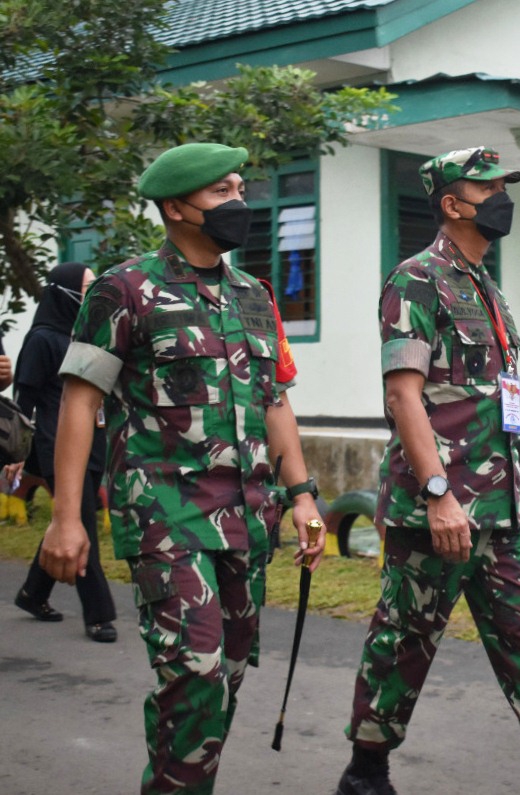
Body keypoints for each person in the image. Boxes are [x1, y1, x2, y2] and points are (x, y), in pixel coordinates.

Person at [39, 142, 326, 794]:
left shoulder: (253, 294)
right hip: (166, 516)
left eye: (238, 187)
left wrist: (304, 494)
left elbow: (275, 398)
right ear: (176, 206)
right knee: (193, 673)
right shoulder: (125, 289)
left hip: (249, 518)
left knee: (223, 677)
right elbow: (80, 400)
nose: (239, 202)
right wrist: (66, 516)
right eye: (222, 191)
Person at [336, 146, 520, 795]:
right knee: (404, 641)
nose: (498, 197)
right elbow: (403, 395)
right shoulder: (417, 279)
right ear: (451, 204)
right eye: (484, 188)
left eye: (502, 185)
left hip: (500, 507)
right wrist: (437, 492)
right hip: (438, 508)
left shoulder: (487, 286)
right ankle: (365, 771)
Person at [11, 262, 117, 643]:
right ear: (64, 292)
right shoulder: (43, 339)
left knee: (67, 518)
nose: (92, 294)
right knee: (83, 526)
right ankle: (99, 615)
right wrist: (17, 454)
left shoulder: (85, 337)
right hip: (57, 447)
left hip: (94, 446)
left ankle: (32, 593)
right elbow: (24, 399)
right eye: (86, 287)